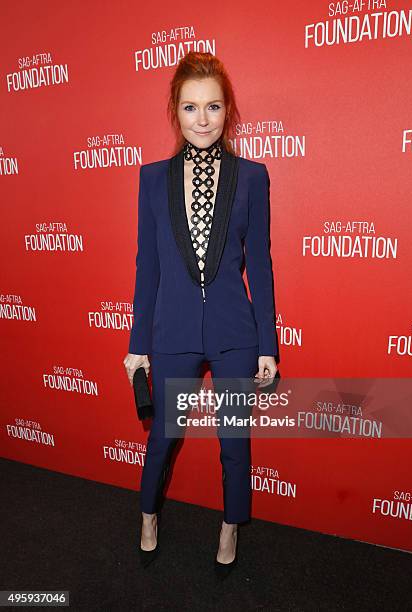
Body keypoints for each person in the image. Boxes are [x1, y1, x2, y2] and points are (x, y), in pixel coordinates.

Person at [123, 51, 280, 578]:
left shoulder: (253, 178)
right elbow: (148, 268)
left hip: (236, 331)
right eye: (191, 107)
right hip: (173, 332)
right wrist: (136, 342)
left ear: (227, 109)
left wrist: (267, 345)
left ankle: (230, 526)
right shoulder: (151, 179)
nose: (203, 119)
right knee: (163, 435)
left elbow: (259, 265)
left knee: (234, 440)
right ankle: (148, 516)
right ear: (176, 110)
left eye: (213, 106)